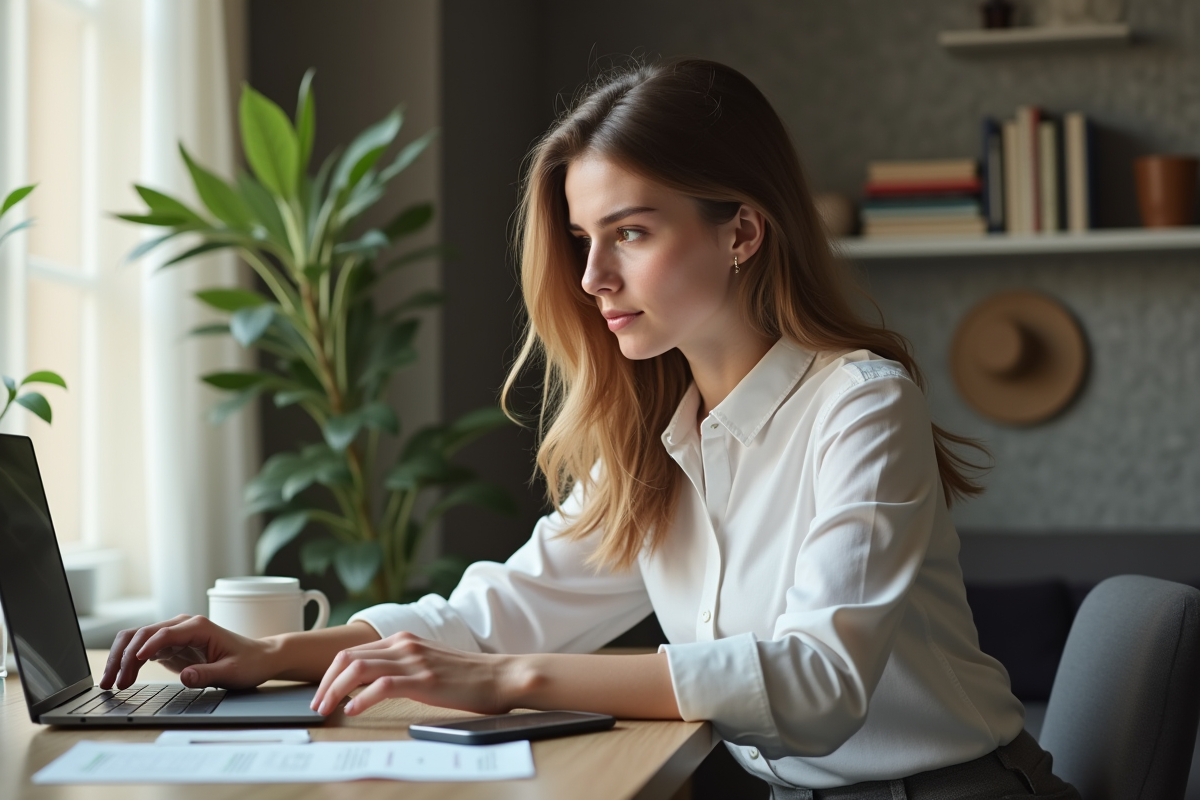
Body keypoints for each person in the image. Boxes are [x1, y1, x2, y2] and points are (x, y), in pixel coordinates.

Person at [103, 59, 1080, 799]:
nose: (590, 278)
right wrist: (271, 654)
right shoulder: (657, 436)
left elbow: (819, 680)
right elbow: (495, 613)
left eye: (633, 231)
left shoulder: (861, 403)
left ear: (741, 231)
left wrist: (503, 680)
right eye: (582, 239)